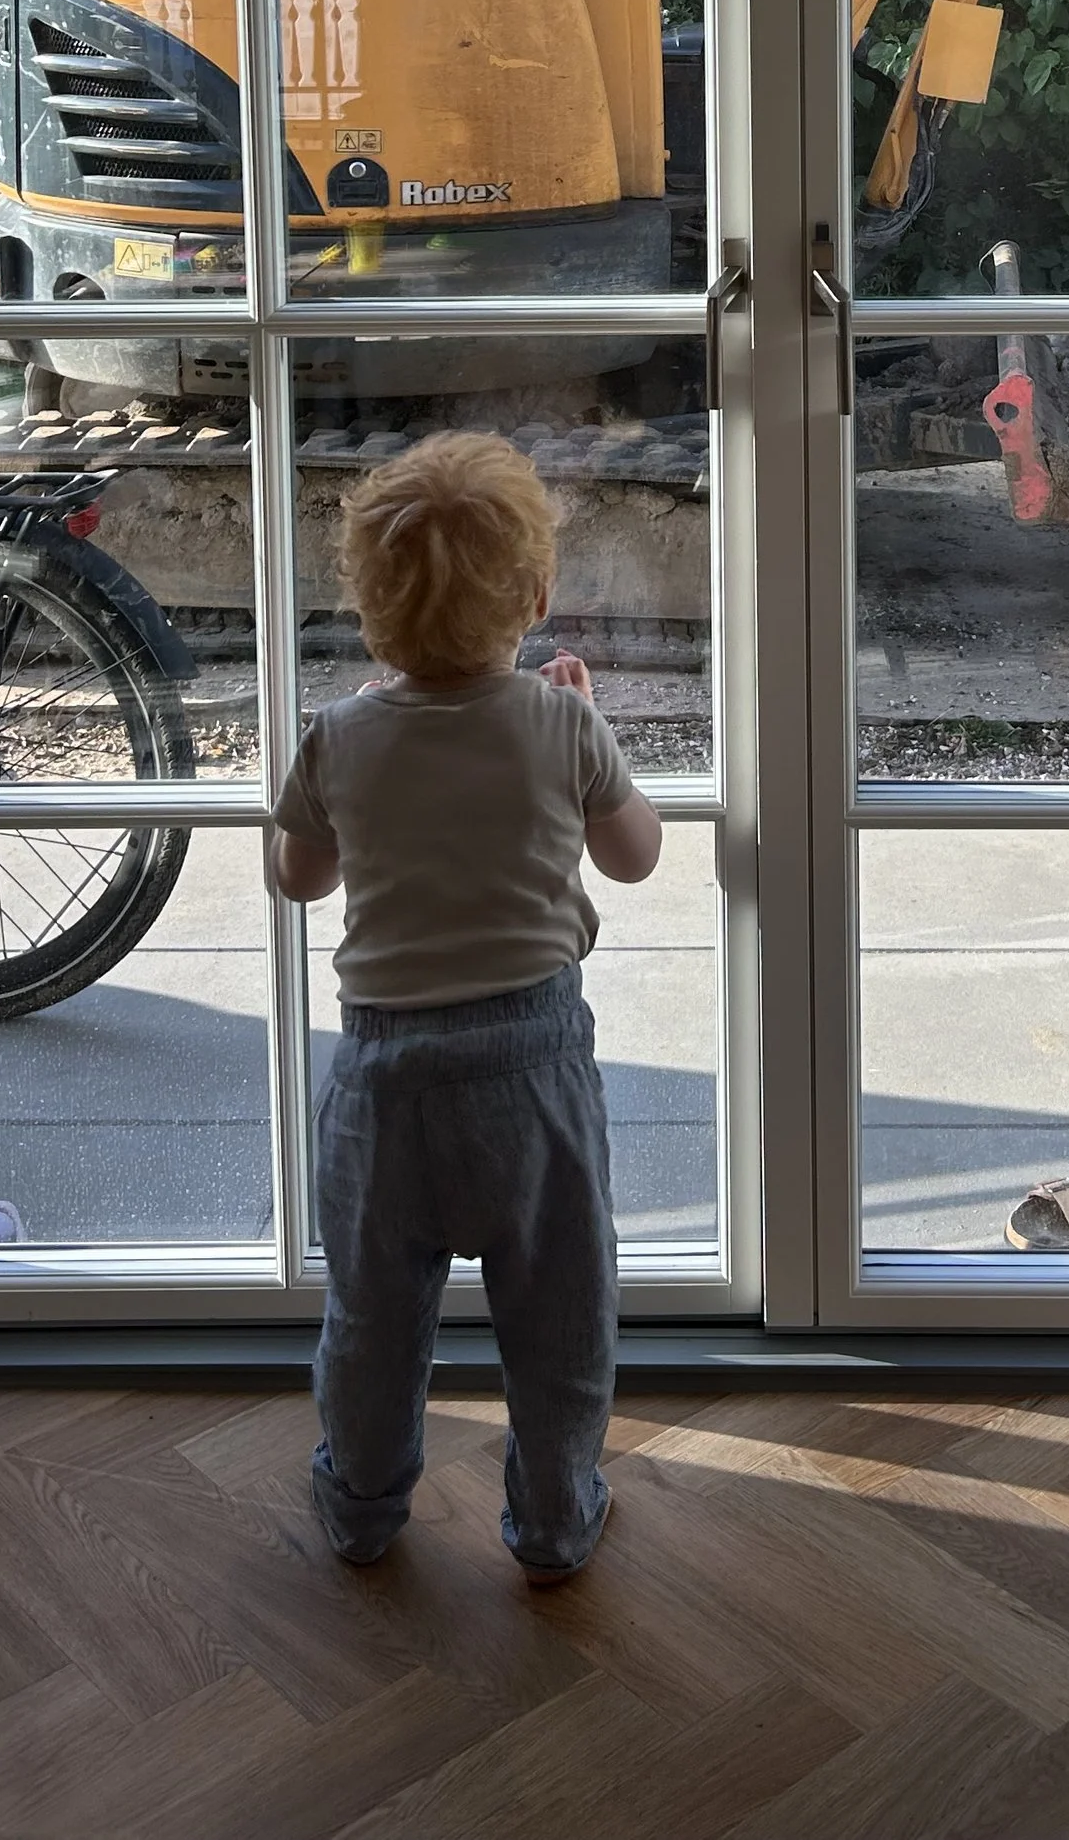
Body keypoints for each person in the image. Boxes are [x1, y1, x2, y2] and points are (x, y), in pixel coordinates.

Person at [265, 428, 663, 1583]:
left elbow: (297, 880)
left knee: (376, 1321)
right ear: (535, 597)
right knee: (558, 1322)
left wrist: (342, 772)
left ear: (367, 612)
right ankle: (551, 1521)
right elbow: (633, 858)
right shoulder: (559, 718)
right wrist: (587, 736)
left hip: (384, 1082)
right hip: (531, 1072)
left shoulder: (339, 737)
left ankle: (361, 1505)